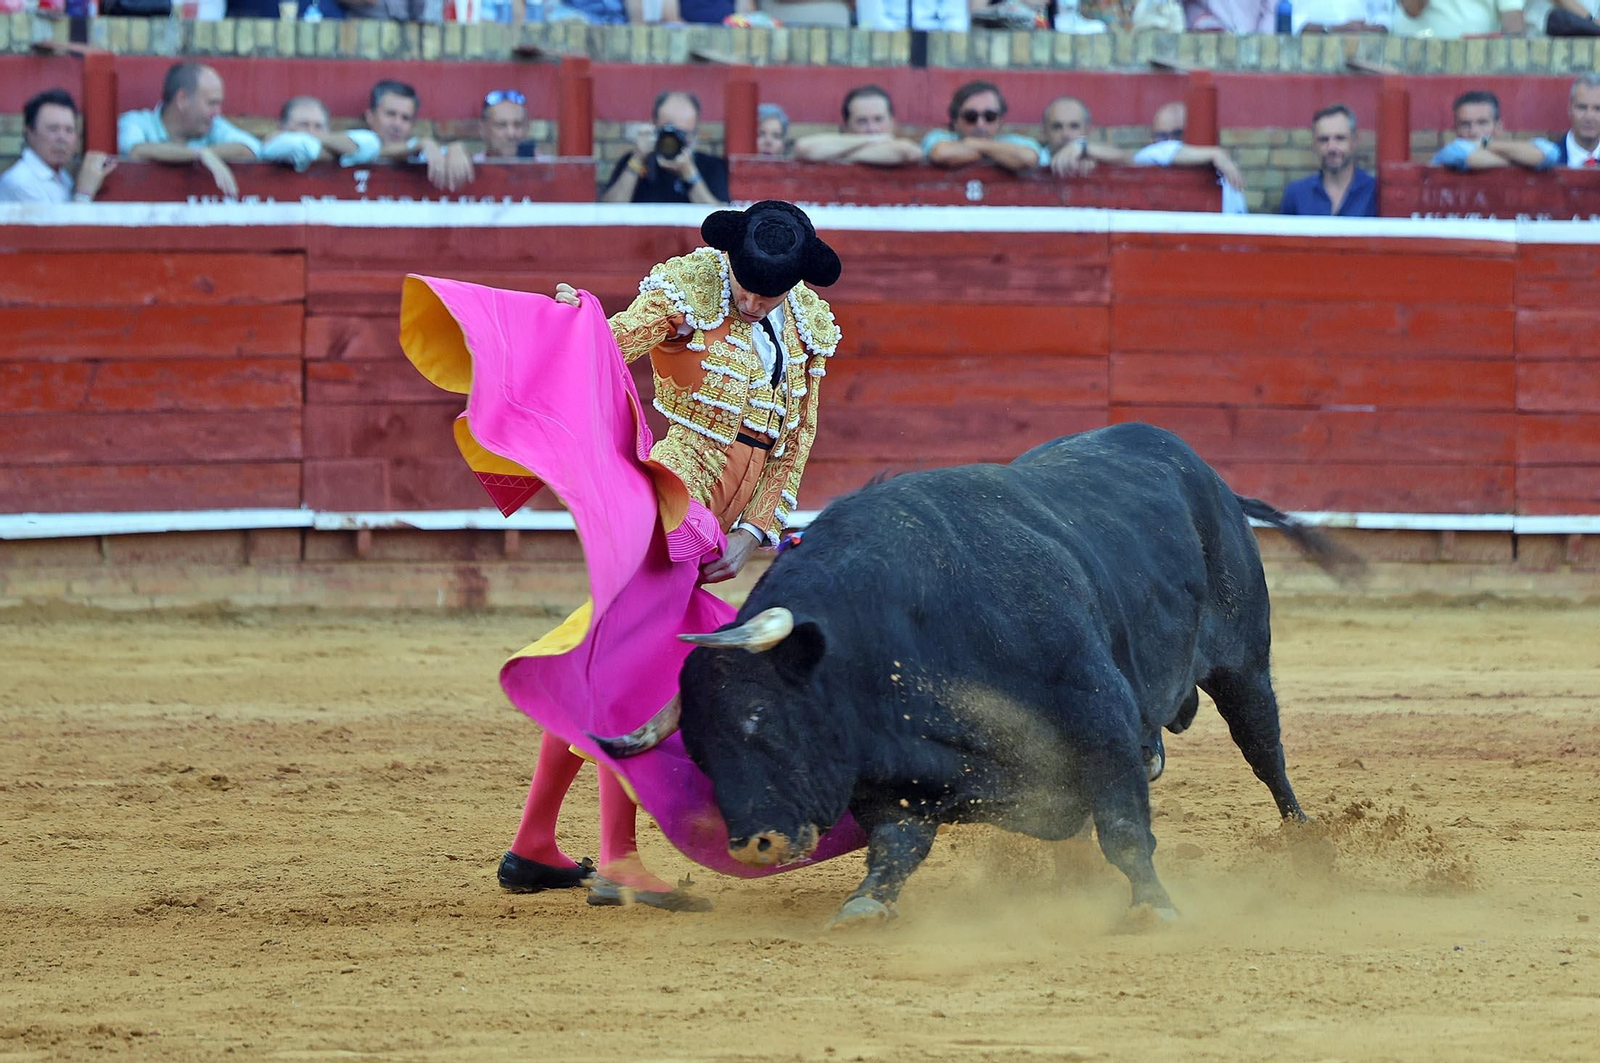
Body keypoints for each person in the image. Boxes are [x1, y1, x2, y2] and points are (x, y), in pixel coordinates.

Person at [461, 201, 840, 910]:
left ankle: (536, 843)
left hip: (727, 517)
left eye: (771, 291)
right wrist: (573, 321)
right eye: (747, 284)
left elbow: (794, 445)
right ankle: (617, 857)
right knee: (634, 665)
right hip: (670, 493)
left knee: (610, 655)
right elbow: (610, 344)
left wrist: (754, 533)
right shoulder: (689, 288)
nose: (755, 300)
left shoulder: (808, 325)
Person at [116, 62, 261, 199]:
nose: (217, 112)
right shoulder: (136, 122)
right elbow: (135, 151)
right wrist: (199, 153)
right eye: (211, 103)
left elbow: (250, 148)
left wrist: (207, 153)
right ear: (182, 99)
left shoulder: (213, 125)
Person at [600, 91, 729, 205]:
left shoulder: (711, 167)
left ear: (695, 132)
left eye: (683, 134)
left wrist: (689, 174)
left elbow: (720, 221)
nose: (675, 140)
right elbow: (607, 214)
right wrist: (637, 160)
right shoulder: (633, 162)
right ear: (653, 125)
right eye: (669, 131)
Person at [0, 89, 115, 204]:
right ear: (30, 132)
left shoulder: (63, 177)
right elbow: (61, 222)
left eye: (69, 130)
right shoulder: (20, 182)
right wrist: (84, 194)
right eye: (53, 129)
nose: (62, 138)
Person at [922, 81, 1044, 174]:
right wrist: (999, 154)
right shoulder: (939, 137)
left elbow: (1028, 159)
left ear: (1000, 120)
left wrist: (973, 145)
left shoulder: (1017, 141)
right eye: (971, 116)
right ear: (955, 120)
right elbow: (942, 154)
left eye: (990, 116)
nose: (980, 124)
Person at [1278, 104, 1378, 217]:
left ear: (1354, 141)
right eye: (1324, 140)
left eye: (1340, 138)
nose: (1331, 147)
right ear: (1314, 144)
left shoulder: (1375, 192)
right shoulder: (1296, 194)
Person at [1429, 90, 1558, 173]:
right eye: (1465, 124)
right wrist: (1523, 161)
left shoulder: (1492, 145)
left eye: (1482, 122)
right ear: (1455, 128)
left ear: (1498, 127)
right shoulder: (1449, 152)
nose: (1473, 131)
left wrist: (1486, 143)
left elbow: (1550, 154)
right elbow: (1464, 157)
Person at [792, 84, 922, 167]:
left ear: (893, 122)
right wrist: (875, 139)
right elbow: (803, 148)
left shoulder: (902, 146)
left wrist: (834, 154)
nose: (872, 128)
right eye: (862, 121)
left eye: (878, 119)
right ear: (847, 127)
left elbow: (908, 152)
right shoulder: (874, 137)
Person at [1546, 75, 1600, 168]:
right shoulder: (1548, 160)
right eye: (1582, 107)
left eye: (1598, 109)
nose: (1589, 116)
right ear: (1569, 109)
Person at [476, 89, 538, 161]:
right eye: (501, 125)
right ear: (483, 129)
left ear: (527, 128)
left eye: (518, 125)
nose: (511, 134)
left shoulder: (547, 167)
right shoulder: (471, 168)